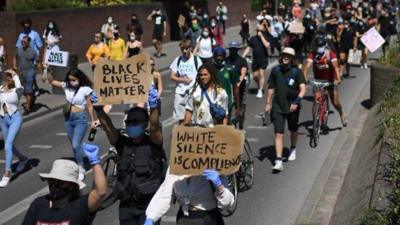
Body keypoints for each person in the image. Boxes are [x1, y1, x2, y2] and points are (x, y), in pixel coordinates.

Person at [142, 64, 233, 225]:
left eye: (205, 74)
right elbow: (164, 194)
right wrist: (150, 217)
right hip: (184, 219)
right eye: (201, 75)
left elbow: (229, 203)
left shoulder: (211, 162)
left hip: (208, 219)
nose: (202, 77)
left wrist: (218, 184)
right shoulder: (177, 165)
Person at [94, 96, 166, 225]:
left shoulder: (153, 144)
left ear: (144, 124)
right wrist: (99, 110)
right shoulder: (122, 144)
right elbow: (108, 127)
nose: (132, 125)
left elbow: (155, 126)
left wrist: (153, 107)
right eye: (129, 122)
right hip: (127, 205)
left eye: (136, 122)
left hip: (149, 206)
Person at [21, 144, 107, 225]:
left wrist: (95, 162)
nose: (55, 185)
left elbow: (100, 192)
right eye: (52, 181)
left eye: (61, 182)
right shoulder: (39, 204)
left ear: (72, 186)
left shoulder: (79, 206)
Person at [47, 68, 96, 181]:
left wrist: (93, 120)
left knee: (75, 144)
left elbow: (89, 106)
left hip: (80, 119)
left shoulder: (85, 89)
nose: (72, 82)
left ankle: (81, 167)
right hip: (68, 119)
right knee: (74, 146)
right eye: (70, 80)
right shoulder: (66, 86)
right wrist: (47, 69)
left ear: (79, 79)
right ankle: (80, 161)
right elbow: (51, 81)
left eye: (74, 80)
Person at [265, 47, 306, 172]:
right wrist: (268, 103)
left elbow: (303, 88)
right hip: (278, 105)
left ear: (292, 58)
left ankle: (293, 148)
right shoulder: (275, 70)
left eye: (288, 55)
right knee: (278, 133)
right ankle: (278, 160)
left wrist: (297, 101)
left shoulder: (297, 72)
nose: (285, 57)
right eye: (284, 55)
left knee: (293, 129)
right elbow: (271, 87)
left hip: (293, 105)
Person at [303, 34, 348, 128]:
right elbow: (307, 66)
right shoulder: (313, 53)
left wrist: (338, 79)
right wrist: (304, 77)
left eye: (321, 46)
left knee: (335, 102)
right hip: (319, 79)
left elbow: (335, 66)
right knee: (316, 101)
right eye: (318, 47)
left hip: (331, 79)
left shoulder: (330, 53)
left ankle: (341, 113)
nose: (319, 48)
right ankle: (315, 120)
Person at [0, 70, 28, 187]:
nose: (9, 78)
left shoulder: (18, 90)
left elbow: (19, 85)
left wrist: (14, 74)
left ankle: (7, 173)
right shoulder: (1, 88)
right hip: (2, 119)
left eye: (11, 77)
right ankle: (22, 158)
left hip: (15, 119)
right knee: (8, 144)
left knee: (7, 145)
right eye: (8, 76)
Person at [170, 39, 202, 124]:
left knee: (191, 119)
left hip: (193, 93)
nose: (184, 51)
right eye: (182, 49)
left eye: (186, 49)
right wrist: (182, 80)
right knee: (180, 118)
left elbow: (202, 75)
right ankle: (181, 135)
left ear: (190, 48)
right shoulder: (178, 60)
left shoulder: (196, 60)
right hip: (180, 92)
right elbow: (172, 77)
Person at [16, 18, 43, 98]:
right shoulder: (21, 35)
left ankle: (32, 90)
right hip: (24, 57)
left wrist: (41, 58)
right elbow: (18, 46)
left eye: (27, 25)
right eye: (25, 26)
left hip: (33, 57)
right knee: (27, 76)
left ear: (30, 25)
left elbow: (40, 46)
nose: (26, 27)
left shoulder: (35, 34)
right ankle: (32, 88)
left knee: (31, 75)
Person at [242, 24, 271, 99]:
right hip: (255, 60)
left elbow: (267, 45)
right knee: (255, 76)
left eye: (260, 31)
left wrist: (261, 37)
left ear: (263, 30)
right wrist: (243, 56)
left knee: (261, 74)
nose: (259, 32)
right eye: (258, 30)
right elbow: (248, 48)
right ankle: (259, 86)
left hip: (263, 59)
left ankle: (260, 90)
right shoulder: (253, 38)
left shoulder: (266, 37)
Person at [213, 47, 240, 122]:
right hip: (213, 101)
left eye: (221, 56)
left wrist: (237, 106)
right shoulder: (211, 68)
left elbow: (235, 87)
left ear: (224, 57)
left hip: (227, 102)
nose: (219, 58)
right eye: (217, 56)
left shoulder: (230, 69)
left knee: (225, 124)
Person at [13, 36, 38, 115]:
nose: (22, 43)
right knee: (24, 90)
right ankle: (32, 98)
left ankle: (27, 109)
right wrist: (14, 66)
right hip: (21, 72)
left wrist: (43, 72)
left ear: (28, 42)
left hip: (30, 71)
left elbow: (38, 62)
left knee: (28, 90)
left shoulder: (33, 51)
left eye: (24, 41)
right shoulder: (19, 50)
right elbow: (15, 57)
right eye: (22, 41)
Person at [227, 41, 248, 129]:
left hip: (241, 88)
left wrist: (238, 83)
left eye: (234, 50)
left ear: (237, 50)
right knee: (228, 109)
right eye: (231, 49)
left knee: (241, 110)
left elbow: (243, 73)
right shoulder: (226, 60)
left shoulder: (242, 61)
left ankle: (241, 126)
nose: (232, 51)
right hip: (229, 88)